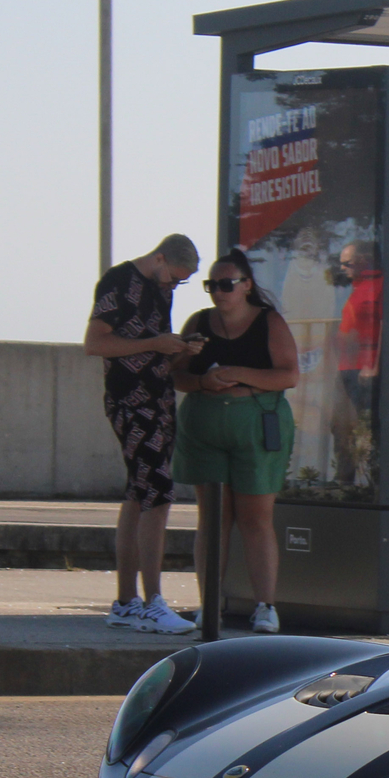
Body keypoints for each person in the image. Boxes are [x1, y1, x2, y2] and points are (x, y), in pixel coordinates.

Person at [175, 249, 300, 632]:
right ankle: (209, 604)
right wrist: (202, 382)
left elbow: (289, 375)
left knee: (255, 518)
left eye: (226, 284)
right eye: (211, 285)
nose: (218, 292)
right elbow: (178, 375)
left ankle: (266, 606)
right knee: (213, 518)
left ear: (246, 286)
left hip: (255, 425)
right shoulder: (198, 322)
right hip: (206, 426)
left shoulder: (269, 322)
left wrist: (238, 373)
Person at [83, 234, 202, 634]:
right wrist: (155, 342)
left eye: (180, 283)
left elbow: (154, 350)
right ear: (160, 258)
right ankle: (152, 601)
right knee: (157, 492)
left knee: (139, 494)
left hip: (158, 396)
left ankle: (126, 601)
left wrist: (181, 349)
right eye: (173, 277)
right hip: (130, 401)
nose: (173, 286)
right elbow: (95, 342)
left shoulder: (158, 290)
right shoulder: (119, 282)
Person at [331, 240, 382, 489]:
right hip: (345, 367)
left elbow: (385, 326)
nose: (343, 268)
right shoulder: (356, 288)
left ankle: (373, 483)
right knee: (340, 425)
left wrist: (374, 365)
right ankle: (344, 482)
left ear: (364, 260)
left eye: (347, 263)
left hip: (364, 368)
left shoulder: (379, 287)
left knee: (366, 427)